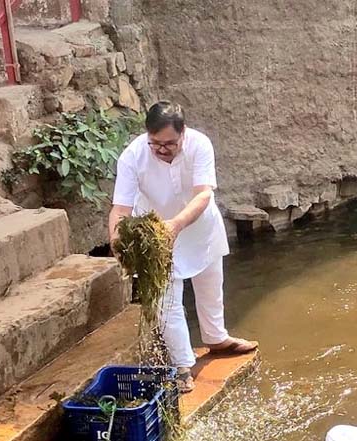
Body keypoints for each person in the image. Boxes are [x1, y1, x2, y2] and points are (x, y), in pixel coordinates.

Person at [109, 101, 257, 393]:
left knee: (210, 286)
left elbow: (203, 195)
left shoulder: (200, 144)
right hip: (157, 236)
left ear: (183, 133)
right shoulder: (132, 156)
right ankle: (181, 365)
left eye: (169, 144)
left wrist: (174, 225)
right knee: (167, 303)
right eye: (155, 144)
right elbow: (120, 209)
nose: (162, 149)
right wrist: (118, 241)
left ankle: (216, 338)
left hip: (197, 226)